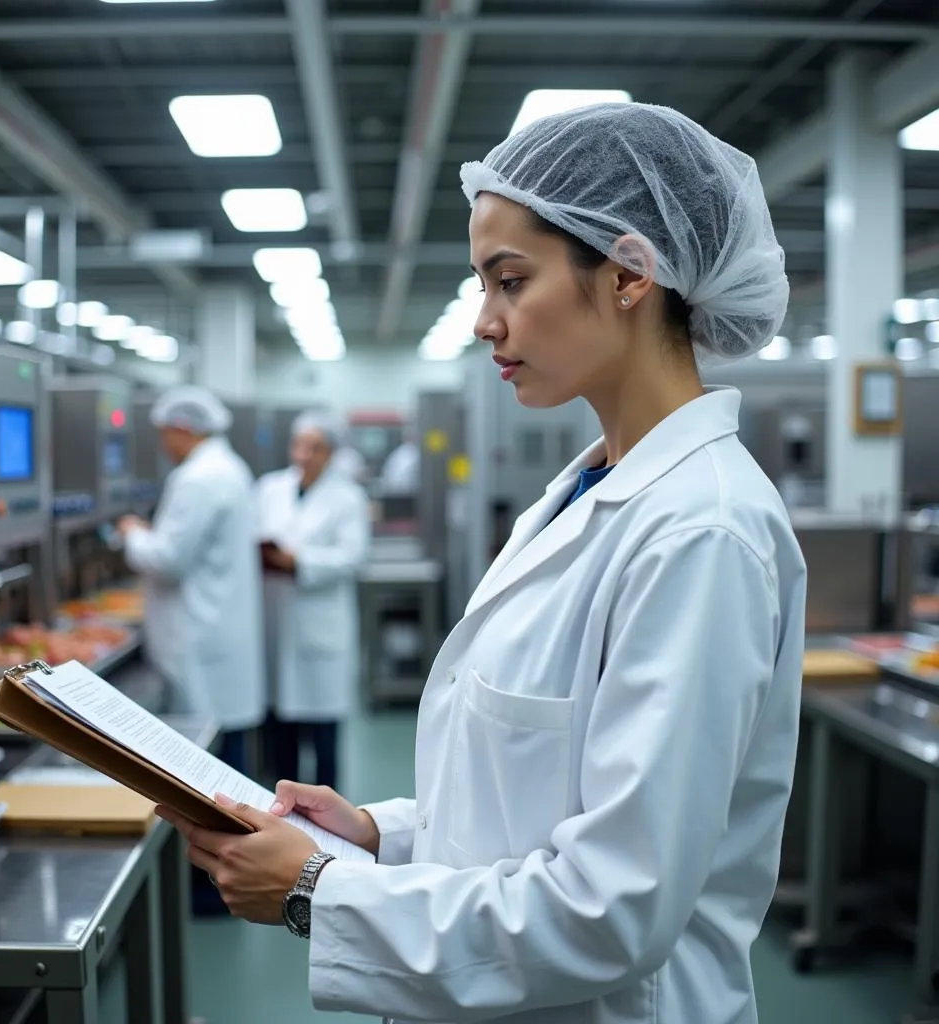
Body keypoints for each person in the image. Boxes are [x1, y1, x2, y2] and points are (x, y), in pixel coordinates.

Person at [158, 103, 808, 1024]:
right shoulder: (583, 493)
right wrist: (377, 834)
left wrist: (317, 892)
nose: (483, 322)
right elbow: (534, 803)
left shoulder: (701, 532)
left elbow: (611, 907)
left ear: (629, 275)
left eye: (509, 281)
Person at [118, 387, 264, 777]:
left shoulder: (197, 478)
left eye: (164, 433)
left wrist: (133, 532)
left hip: (199, 633)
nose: (163, 444)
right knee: (226, 750)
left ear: (183, 428)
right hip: (216, 625)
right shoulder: (228, 468)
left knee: (211, 766)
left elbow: (166, 560)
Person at [252, 410, 370, 792]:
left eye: (315, 448)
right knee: (280, 737)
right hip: (276, 622)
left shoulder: (348, 498)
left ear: (331, 453)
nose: (303, 455)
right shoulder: (269, 489)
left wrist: (298, 561)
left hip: (321, 627)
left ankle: (328, 830)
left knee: (323, 742)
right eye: (299, 445)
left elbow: (352, 558)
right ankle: (283, 821)